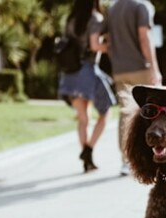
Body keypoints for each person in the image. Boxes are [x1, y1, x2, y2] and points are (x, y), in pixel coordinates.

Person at [57, 0, 116, 173]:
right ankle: (88, 150)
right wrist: (110, 46)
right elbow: (94, 45)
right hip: (87, 71)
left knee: (83, 119)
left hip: (69, 73)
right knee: (105, 113)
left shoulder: (71, 18)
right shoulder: (95, 18)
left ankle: (87, 160)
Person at [105, 0, 162, 175]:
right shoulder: (142, 6)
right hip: (140, 68)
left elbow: (107, 40)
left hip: (119, 70)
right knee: (151, 111)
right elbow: (144, 37)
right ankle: (152, 157)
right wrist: (154, 68)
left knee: (125, 113)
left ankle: (126, 161)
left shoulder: (112, 8)